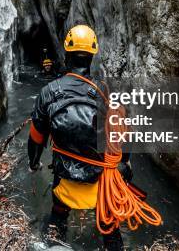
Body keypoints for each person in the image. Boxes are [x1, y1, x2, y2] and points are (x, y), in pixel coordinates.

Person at [28, 25, 132, 250]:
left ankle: (54, 238)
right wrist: (125, 165)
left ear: (66, 54)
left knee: (57, 215)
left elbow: (36, 138)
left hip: (65, 179)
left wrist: (33, 163)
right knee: (109, 224)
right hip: (102, 184)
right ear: (92, 56)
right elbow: (122, 139)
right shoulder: (107, 92)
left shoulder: (49, 92)